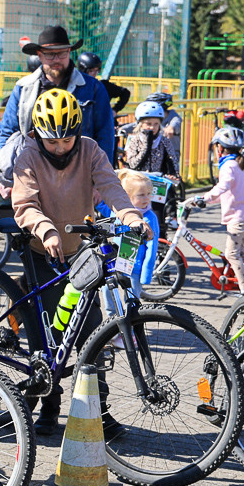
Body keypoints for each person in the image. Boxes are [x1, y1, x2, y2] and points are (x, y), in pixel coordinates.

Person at [10, 88, 150, 437]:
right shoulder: (27, 153)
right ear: (38, 134)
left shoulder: (89, 149)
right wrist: (46, 230)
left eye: (66, 140)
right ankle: (48, 405)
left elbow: (110, 185)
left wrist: (130, 215)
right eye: (51, 141)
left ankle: (98, 411)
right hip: (43, 252)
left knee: (92, 330)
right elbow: (24, 203)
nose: (59, 148)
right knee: (48, 335)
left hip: (82, 253)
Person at [0, 25, 115, 163]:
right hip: (33, 168)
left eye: (62, 53)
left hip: (81, 169)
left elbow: (105, 135)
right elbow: (8, 132)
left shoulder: (93, 88)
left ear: (70, 52)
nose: (56, 59)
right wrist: (2, 167)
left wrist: (102, 172)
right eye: (50, 54)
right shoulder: (23, 88)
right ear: (39, 55)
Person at [98, 170, 160, 339]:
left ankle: (130, 329)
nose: (146, 198)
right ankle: (112, 324)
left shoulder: (149, 218)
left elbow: (152, 247)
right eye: (141, 195)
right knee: (109, 294)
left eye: (148, 194)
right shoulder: (119, 212)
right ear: (126, 196)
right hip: (115, 264)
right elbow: (104, 208)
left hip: (135, 269)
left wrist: (146, 274)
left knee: (132, 301)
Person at [198, 127, 244, 302]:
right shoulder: (236, 164)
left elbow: (223, 186)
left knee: (232, 255)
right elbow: (228, 192)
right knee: (240, 252)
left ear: (220, 148)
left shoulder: (228, 166)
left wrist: (206, 196)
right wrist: (205, 200)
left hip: (238, 217)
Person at [122, 100, 181, 237]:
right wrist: (147, 143)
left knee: (158, 217)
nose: (152, 127)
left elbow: (172, 159)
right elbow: (133, 163)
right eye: (148, 124)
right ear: (140, 124)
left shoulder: (163, 140)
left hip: (156, 182)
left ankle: (160, 242)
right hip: (136, 184)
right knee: (136, 213)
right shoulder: (134, 140)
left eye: (156, 124)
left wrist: (173, 174)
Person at [77, 51, 131, 115]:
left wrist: (115, 110)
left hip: (103, 123)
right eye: (91, 71)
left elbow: (125, 93)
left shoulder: (103, 85)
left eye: (96, 70)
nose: (94, 73)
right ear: (83, 70)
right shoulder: (75, 87)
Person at [145, 91, 181, 162]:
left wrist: (171, 128)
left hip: (169, 156)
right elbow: (139, 124)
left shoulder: (174, 117)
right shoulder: (152, 117)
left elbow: (175, 122)